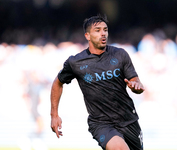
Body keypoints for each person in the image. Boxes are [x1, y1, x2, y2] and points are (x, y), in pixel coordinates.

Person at [50, 14, 145, 150]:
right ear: (87, 36)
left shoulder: (120, 54)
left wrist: (137, 86)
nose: (103, 34)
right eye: (98, 30)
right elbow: (57, 82)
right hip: (101, 124)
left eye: (105, 30)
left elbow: (134, 80)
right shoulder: (75, 62)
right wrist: (54, 115)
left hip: (128, 120)